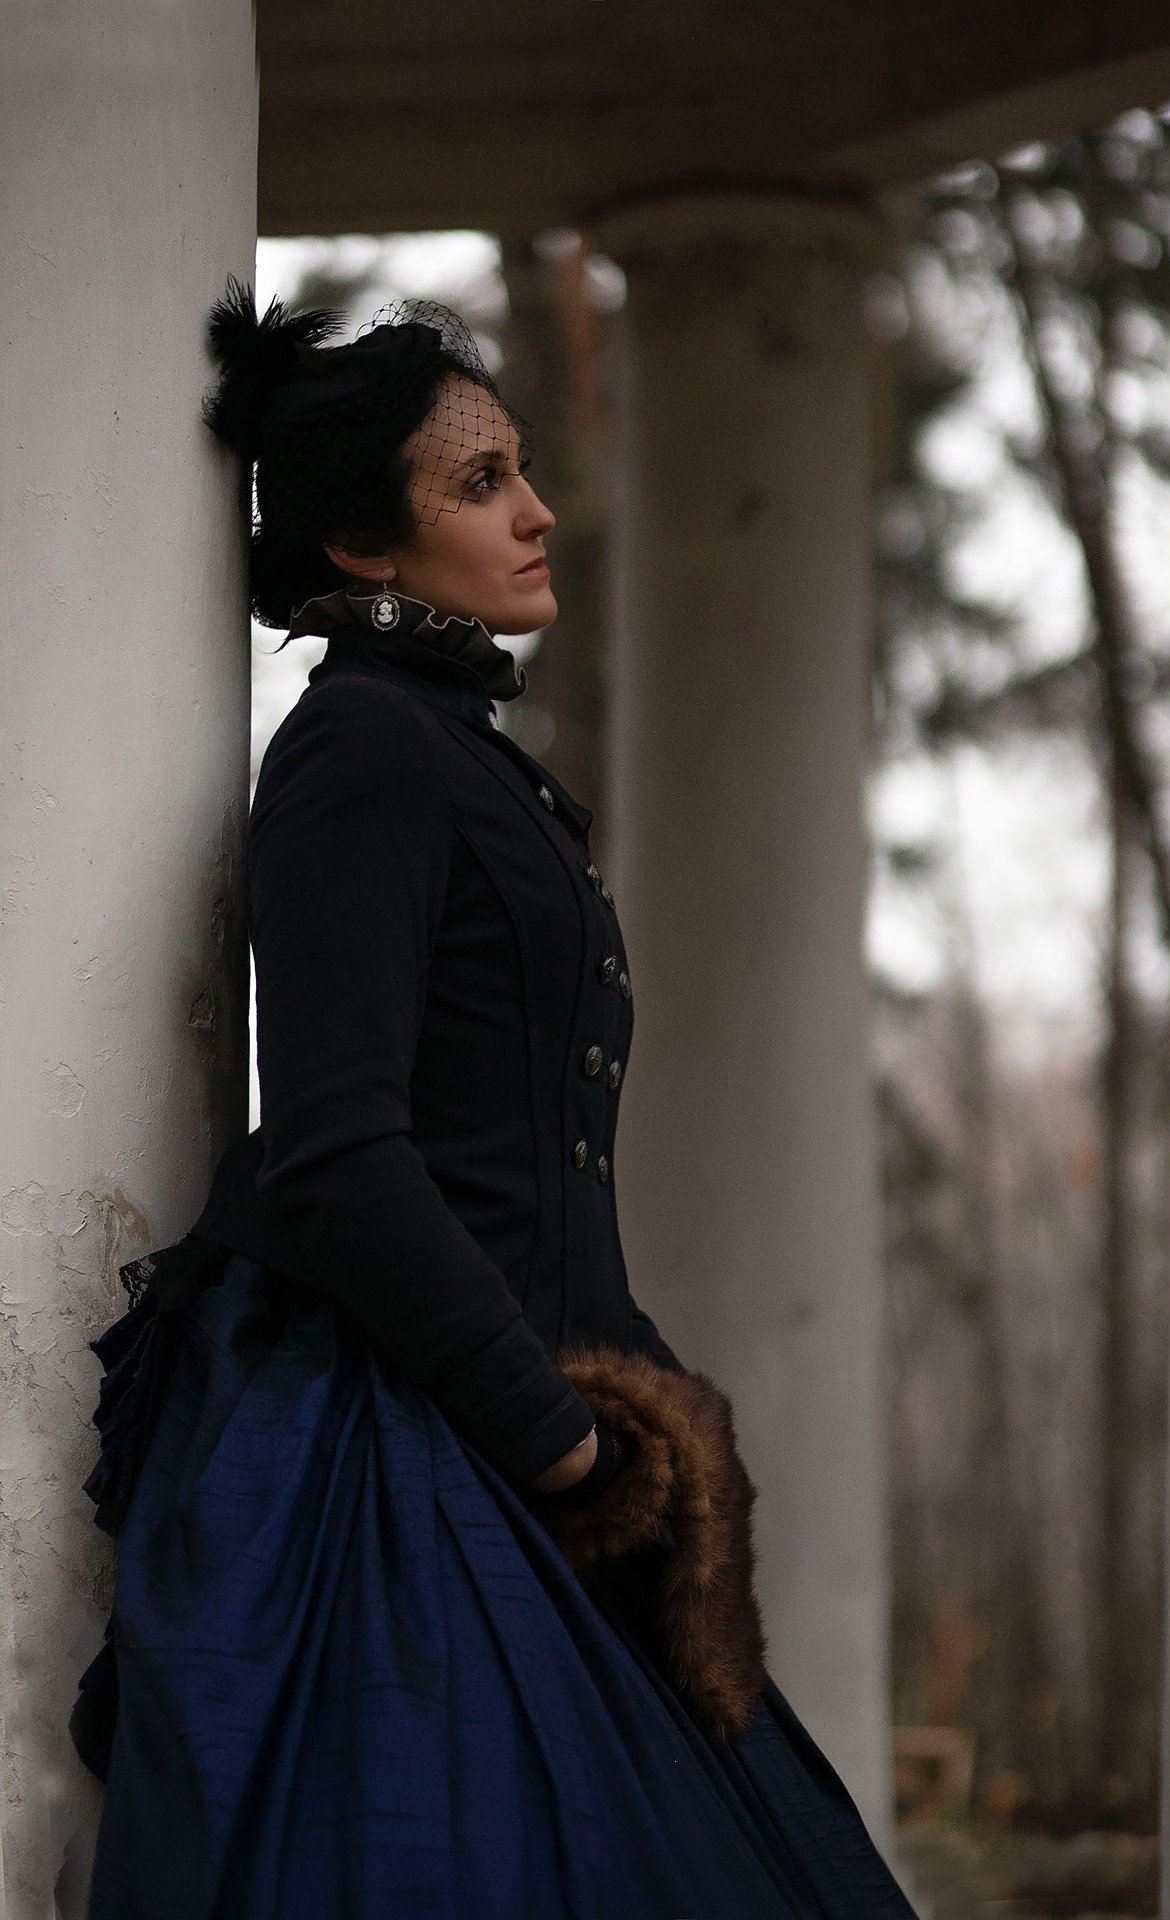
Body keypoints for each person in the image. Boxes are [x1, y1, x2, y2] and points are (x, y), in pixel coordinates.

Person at [72, 281, 917, 1920]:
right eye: (480, 482)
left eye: (522, 466)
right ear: (364, 547)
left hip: (515, 1410)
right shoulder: (364, 752)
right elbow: (337, 1151)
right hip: (394, 1443)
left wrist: (638, 1430)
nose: (537, 510)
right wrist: (560, 1444)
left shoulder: (448, 748)